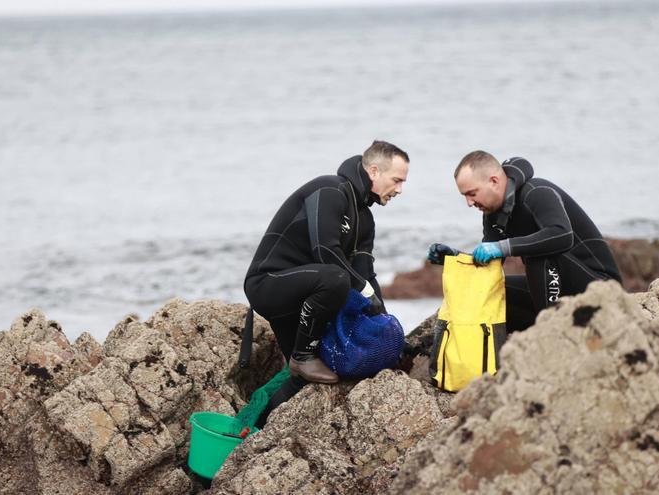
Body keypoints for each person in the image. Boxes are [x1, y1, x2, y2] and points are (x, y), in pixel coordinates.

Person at [244, 140, 408, 425]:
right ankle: (303, 355)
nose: (400, 190)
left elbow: (366, 274)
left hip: (308, 298)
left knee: (304, 379)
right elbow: (325, 250)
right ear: (373, 171)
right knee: (337, 278)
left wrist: (385, 323)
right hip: (269, 284)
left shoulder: (365, 220)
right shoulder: (329, 190)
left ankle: (255, 432)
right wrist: (364, 293)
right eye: (396, 180)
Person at [428, 150, 621, 332]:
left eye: (472, 193)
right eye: (465, 196)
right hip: (557, 290)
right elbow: (490, 264)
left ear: (494, 181)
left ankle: (553, 336)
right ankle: (494, 357)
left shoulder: (536, 192)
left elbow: (562, 235)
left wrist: (504, 247)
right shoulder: (493, 215)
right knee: (490, 289)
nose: (469, 203)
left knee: (539, 254)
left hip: (600, 288)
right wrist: (455, 257)